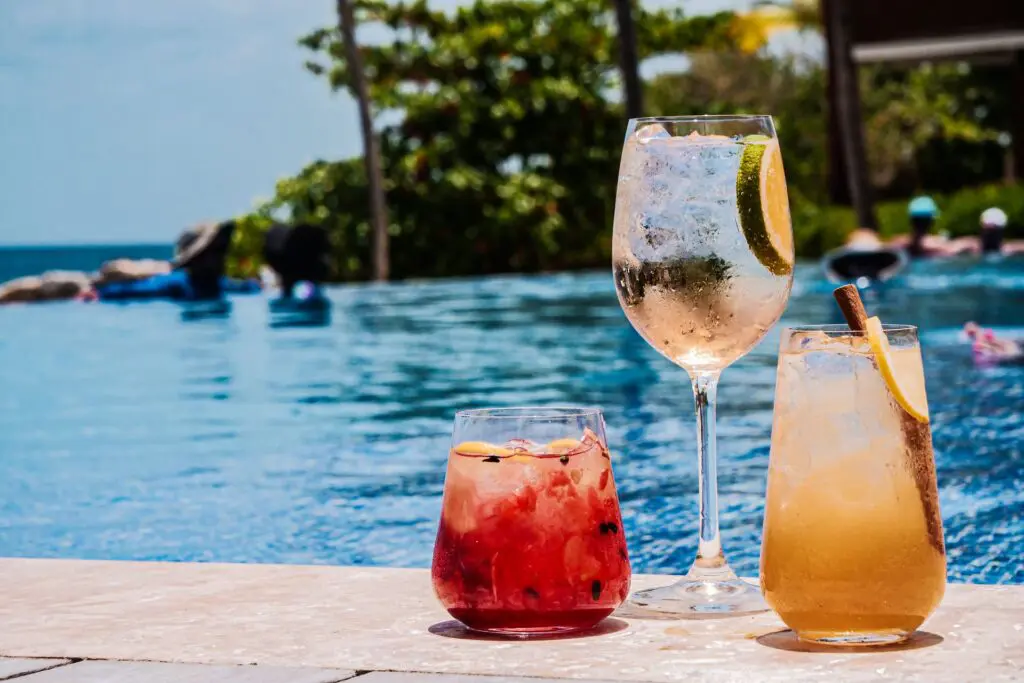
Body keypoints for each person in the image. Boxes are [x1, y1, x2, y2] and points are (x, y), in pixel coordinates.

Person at [888, 196, 958, 258]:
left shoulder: (898, 243)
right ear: (931, 222)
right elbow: (951, 250)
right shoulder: (936, 245)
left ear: (911, 221)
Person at [948, 207, 1024, 257]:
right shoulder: (969, 246)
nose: (990, 235)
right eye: (988, 231)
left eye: (993, 232)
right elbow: (948, 249)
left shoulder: (1009, 249)